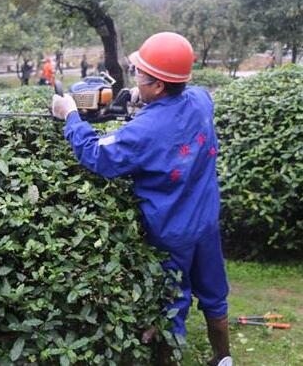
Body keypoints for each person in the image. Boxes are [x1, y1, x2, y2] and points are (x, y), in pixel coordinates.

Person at [52, 32, 231, 366]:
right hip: (206, 223)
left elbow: (97, 155)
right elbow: (184, 98)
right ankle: (224, 359)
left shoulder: (145, 130)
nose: (135, 78)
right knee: (214, 296)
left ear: (159, 85)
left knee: (171, 309)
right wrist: (142, 96)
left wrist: (70, 115)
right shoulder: (201, 100)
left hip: (171, 234)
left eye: (139, 75)